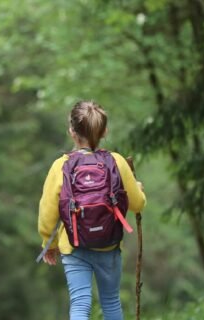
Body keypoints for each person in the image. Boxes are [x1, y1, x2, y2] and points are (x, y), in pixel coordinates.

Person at [38, 101, 146, 320]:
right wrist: (139, 190)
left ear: (71, 132)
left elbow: (48, 213)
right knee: (111, 301)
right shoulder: (116, 162)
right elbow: (137, 204)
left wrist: (49, 243)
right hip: (109, 245)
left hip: (74, 245)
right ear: (104, 131)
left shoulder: (61, 165)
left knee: (80, 304)